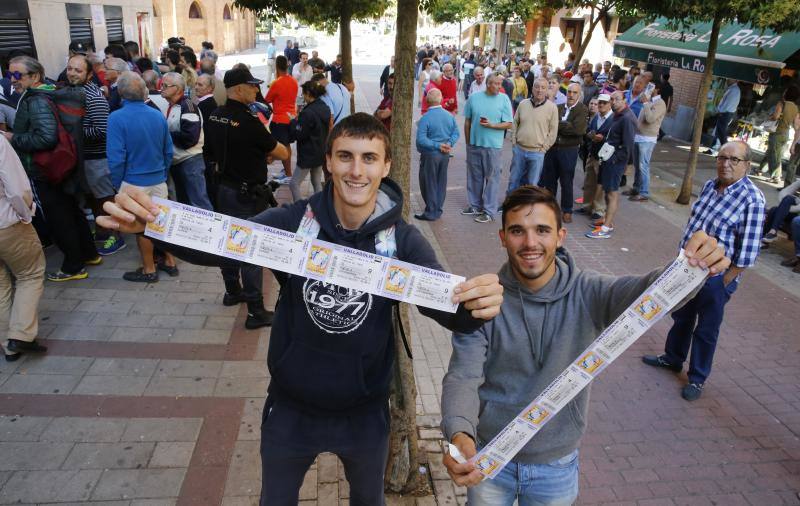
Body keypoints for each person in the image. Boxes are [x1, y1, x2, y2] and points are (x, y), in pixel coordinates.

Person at [98, 112, 505, 506]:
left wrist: (478, 305)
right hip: (291, 409)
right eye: (345, 156)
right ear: (328, 162)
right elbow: (224, 246)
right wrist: (155, 226)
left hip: (363, 414)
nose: (356, 171)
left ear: (386, 166)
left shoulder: (401, 241)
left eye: (369, 159)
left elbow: (448, 309)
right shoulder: (296, 222)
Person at [441, 185, 731, 504]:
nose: (530, 243)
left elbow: (647, 294)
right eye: (517, 231)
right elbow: (463, 376)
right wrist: (460, 435)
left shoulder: (589, 291)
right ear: (502, 238)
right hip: (489, 458)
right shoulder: (484, 302)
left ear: (561, 236)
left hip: (557, 465)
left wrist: (690, 269)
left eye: (542, 230)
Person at [643, 141, 765, 401]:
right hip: (688, 270)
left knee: (706, 329)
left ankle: (697, 379)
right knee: (682, 316)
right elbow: (694, 224)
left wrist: (722, 284)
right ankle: (673, 358)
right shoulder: (710, 186)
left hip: (717, 278)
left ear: (747, 165)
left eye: (734, 160)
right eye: (722, 158)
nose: (726, 164)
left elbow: (747, 254)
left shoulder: (753, 199)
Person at [205, 67, 290, 328]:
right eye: (252, 86)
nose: (256, 90)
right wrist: (266, 152)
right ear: (239, 89)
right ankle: (255, 310)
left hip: (222, 188)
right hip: (246, 195)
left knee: (227, 242)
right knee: (250, 249)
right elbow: (283, 153)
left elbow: (214, 150)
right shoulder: (249, 122)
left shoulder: (215, 115)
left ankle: (233, 291)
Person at [4, 55, 100, 282]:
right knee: (71, 211)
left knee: (59, 218)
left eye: (17, 75)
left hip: (44, 170)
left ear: (35, 75)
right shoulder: (47, 91)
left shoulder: (35, 100)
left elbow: (46, 138)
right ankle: (89, 253)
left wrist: (13, 137)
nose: (12, 80)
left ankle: (73, 267)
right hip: (59, 167)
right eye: (9, 75)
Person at [107, 71, 177, 283]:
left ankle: (149, 269)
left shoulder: (116, 118)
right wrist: (162, 173)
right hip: (158, 179)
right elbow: (168, 151)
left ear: (120, 93)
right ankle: (170, 261)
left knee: (141, 226)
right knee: (161, 222)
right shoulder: (157, 115)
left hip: (133, 181)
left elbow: (116, 158)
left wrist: (118, 184)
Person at [65, 54, 126, 256]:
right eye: (70, 69)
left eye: (78, 70)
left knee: (105, 199)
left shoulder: (93, 97)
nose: (72, 73)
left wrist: (74, 134)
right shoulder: (75, 93)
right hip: (85, 158)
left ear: (89, 74)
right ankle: (102, 231)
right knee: (93, 197)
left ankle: (114, 236)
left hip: (97, 159)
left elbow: (102, 130)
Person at [0, 135, 46, 361]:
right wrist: (26, 215)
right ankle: (20, 335)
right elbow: (17, 190)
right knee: (30, 274)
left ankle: (9, 345)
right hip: (7, 223)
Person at [462, 74, 513, 223]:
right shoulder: (474, 98)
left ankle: (489, 211)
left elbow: (509, 123)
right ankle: (475, 205)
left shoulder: (504, 99)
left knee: (492, 179)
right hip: (474, 144)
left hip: (493, 146)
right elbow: (467, 122)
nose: (499, 86)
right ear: (488, 84)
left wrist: (492, 125)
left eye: (500, 84)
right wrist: (468, 143)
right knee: (474, 177)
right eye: (496, 84)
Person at [586, 91, 636, 239]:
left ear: (624, 100)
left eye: (616, 99)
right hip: (607, 159)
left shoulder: (627, 118)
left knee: (612, 193)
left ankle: (606, 228)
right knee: (607, 192)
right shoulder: (617, 115)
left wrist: (615, 160)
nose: (613, 102)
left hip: (615, 162)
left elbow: (628, 146)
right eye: (612, 99)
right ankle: (606, 220)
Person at [160, 72, 212, 211]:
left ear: (177, 88)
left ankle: (207, 230)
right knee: (184, 203)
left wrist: (165, 135)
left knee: (199, 203)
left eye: (165, 85)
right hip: (178, 161)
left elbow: (190, 138)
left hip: (190, 161)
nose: (161, 88)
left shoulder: (188, 106)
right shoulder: (171, 106)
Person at [541, 83, 587, 223]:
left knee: (566, 181)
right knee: (550, 181)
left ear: (579, 94)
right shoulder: (558, 107)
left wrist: (559, 125)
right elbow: (549, 125)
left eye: (574, 92)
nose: (571, 95)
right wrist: (565, 125)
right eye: (569, 92)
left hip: (569, 150)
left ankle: (567, 210)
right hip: (553, 148)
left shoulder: (582, 110)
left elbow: (578, 130)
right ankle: (550, 208)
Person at [507, 77, 558, 192]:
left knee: (532, 184)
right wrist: (514, 142)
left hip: (537, 153)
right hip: (519, 149)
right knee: (514, 180)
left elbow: (553, 131)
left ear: (546, 90)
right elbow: (515, 123)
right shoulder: (523, 104)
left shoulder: (552, 108)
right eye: (537, 87)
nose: (539, 90)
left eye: (543, 87)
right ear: (532, 88)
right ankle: (509, 204)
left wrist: (544, 148)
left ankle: (528, 207)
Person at [415, 89, 459, 221]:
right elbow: (456, 133)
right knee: (441, 181)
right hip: (444, 154)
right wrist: (448, 144)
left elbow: (421, 140)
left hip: (430, 154)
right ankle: (437, 208)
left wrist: (437, 145)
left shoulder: (425, 118)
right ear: (440, 99)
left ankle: (430, 211)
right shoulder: (449, 116)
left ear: (427, 101)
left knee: (428, 182)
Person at [289, 80, 329, 202]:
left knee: (294, 184)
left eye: (303, 94)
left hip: (308, 154)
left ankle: (299, 209)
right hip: (320, 151)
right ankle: (321, 206)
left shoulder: (307, 113)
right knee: (316, 181)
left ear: (308, 94)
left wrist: (293, 122)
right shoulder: (324, 107)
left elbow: (299, 134)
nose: (302, 97)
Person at [628, 80, 667, 202]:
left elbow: (650, 119)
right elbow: (640, 98)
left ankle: (644, 192)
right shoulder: (649, 100)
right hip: (638, 136)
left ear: (657, 89)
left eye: (651, 87)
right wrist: (646, 97)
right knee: (637, 165)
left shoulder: (660, 104)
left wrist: (646, 103)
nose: (648, 88)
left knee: (643, 165)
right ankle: (636, 188)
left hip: (647, 139)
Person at [577, 93, 614, 220]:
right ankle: (587, 205)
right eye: (600, 103)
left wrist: (603, 138)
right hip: (592, 154)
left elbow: (615, 138)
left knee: (601, 184)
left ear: (610, 104)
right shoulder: (596, 117)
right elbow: (588, 130)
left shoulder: (613, 119)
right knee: (589, 181)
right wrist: (590, 135)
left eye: (604, 103)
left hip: (604, 157)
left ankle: (598, 210)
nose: (601, 105)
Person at [265, 55, 297, 185]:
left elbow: (266, 100)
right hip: (291, 118)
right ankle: (287, 171)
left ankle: (288, 174)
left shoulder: (277, 83)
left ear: (276, 66)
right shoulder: (293, 81)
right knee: (287, 145)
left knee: (282, 147)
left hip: (280, 120)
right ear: (288, 65)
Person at [761, 86, 799, 184]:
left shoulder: (782, 103)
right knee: (773, 153)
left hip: (777, 132)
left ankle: (776, 176)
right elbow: (796, 125)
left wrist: (768, 118)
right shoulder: (796, 108)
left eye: (785, 90)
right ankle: (761, 169)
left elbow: (776, 117)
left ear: (787, 93)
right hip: (786, 133)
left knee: (775, 155)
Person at [762, 179, 800, 248]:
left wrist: (790, 205)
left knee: (775, 210)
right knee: (775, 209)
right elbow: (783, 194)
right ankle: (771, 232)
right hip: (794, 214)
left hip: (797, 219)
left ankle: (768, 236)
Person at [709, 80, 740, 154]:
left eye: (729, 79)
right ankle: (712, 149)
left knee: (721, 132)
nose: (727, 80)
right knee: (718, 131)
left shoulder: (734, 89)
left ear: (734, 80)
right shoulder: (733, 89)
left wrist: (720, 110)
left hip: (726, 113)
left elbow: (727, 104)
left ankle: (726, 151)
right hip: (726, 112)